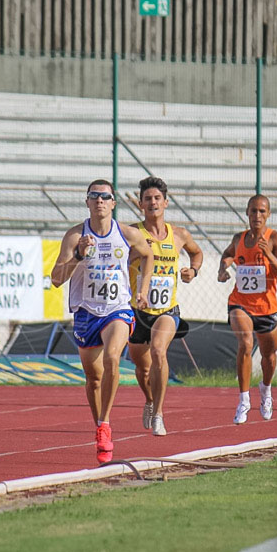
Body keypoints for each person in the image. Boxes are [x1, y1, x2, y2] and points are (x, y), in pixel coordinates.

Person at [50, 179, 153, 464]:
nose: (99, 201)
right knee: (93, 378)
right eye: (94, 196)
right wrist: (79, 256)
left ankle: (106, 425)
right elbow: (56, 279)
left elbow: (148, 254)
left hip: (117, 308)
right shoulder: (74, 236)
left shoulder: (127, 233)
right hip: (86, 312)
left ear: (113, 203)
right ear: (87, 202)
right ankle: (99, 424)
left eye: (105, 197)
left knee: (112, 358)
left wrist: (142, 290)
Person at [127, 176, 203, 436]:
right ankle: (149, 399)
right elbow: (117, 260)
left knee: (159, 351)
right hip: (138, 310)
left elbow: (197, 252)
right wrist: (133, 254)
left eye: (157, 198)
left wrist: (192, 270)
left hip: (167, 309)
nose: (152, 202)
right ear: (140, 204)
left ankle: (159, 413)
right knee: (142, 368)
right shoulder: (132, 233)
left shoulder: (179, 234)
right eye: (147, 199)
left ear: (166, 203)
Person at [217, 194, 277, 424]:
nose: (257, 215)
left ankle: (266, 391)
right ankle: (243, 399)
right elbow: (228, 254)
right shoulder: (239, 238)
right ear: (247, 213)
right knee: (246, 343)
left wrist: (268, 255)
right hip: (240, 302)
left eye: (261, 211)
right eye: (253, 211)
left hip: (267, 307)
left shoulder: (275, 239)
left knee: (269, 356)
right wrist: (223, 269)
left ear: (268, 214)